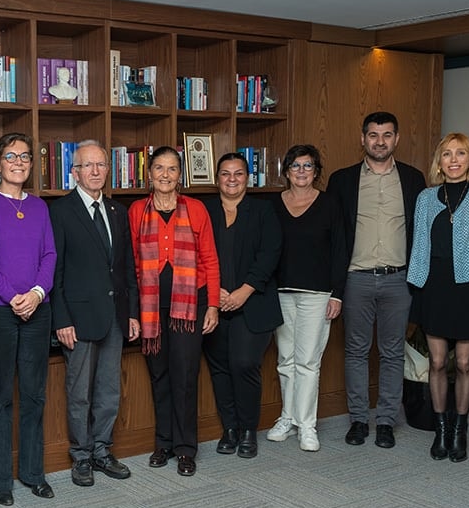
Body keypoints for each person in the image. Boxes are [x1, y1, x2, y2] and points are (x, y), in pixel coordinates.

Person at [328, 111, 426, 449]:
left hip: (398, 280)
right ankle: (358, 419)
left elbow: (422, 232)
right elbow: (335, 236)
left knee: (392, 352)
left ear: (396, 139)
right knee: (355, 351)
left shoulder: (414, 179)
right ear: (363, 138)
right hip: (356, 279)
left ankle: (385, 420)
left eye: (386, 135)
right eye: (373, 134)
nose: (379, 141)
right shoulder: (342, 180)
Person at [50, 140, 140, 486]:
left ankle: (103, 450)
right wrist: (61, 319)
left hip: (115, 316)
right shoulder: (60, 211)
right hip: (78, 319)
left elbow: (126, 268)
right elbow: (54, 272)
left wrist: (131, 313)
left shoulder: (118, 212)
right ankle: (82, 456)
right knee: (79, 392)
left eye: (101, 165)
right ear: (75, 172)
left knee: (108, 390)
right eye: (87, 165)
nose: (95, 171)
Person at [408, 133, 469, 462]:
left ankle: (461, 429)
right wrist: (415, 285)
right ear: (440, 162)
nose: (454, 159)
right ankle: (442, 429)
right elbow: (419, 244)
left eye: (461, 153)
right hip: (434, 284)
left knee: (463, 363)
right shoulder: (426, 198)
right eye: (447, 154)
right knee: (435, 362)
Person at [128, 146, 219, 476]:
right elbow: (133, 264)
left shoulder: (196, 209)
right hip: (151, 309)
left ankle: (185, 448)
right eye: (159, 169)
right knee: (160, 377)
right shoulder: (137, 210)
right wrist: (133, 311)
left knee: (185, 378)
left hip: (188, 309)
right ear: (149, 174)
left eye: (172, 169)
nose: (165, 175)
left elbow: (210, 259)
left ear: (181, 175)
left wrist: (213, 306)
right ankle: (163, 443)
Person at [0, 133, 57, 505]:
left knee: (34, 395)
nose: (18, 162)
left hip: (37, 311)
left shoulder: (41, 208)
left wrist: (36, 294)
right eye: (10, 156)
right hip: (0, 311)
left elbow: (49, 255)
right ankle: (0, 481)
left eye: (25, 156)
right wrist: (13, 296)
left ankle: (32, 473)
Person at [203, 153, 283, 459]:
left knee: (243, 364)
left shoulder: (263, 210)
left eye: (238, 174)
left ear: (247, 178)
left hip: (253, 303)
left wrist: (242, 292)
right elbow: (199, 253)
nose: (232, 179)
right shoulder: (205, 210)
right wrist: (217, 293)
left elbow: (270, 254)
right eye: (225, 174)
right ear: (217, 178)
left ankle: (249, 430)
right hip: (214, 303)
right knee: (220, 368)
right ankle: (230, 429)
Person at [268, 145, 347, 451]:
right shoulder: (272, 205)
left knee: (308, 362)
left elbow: (341, 250)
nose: (302, 171)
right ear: (286, 170)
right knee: (285, 359)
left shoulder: (329, 204)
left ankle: (307, 425)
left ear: (316, 171)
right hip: (281, 292)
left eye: (308, 166)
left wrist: (337, 294)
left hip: (317, 294)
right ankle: (287, 417)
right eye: (296, 166)